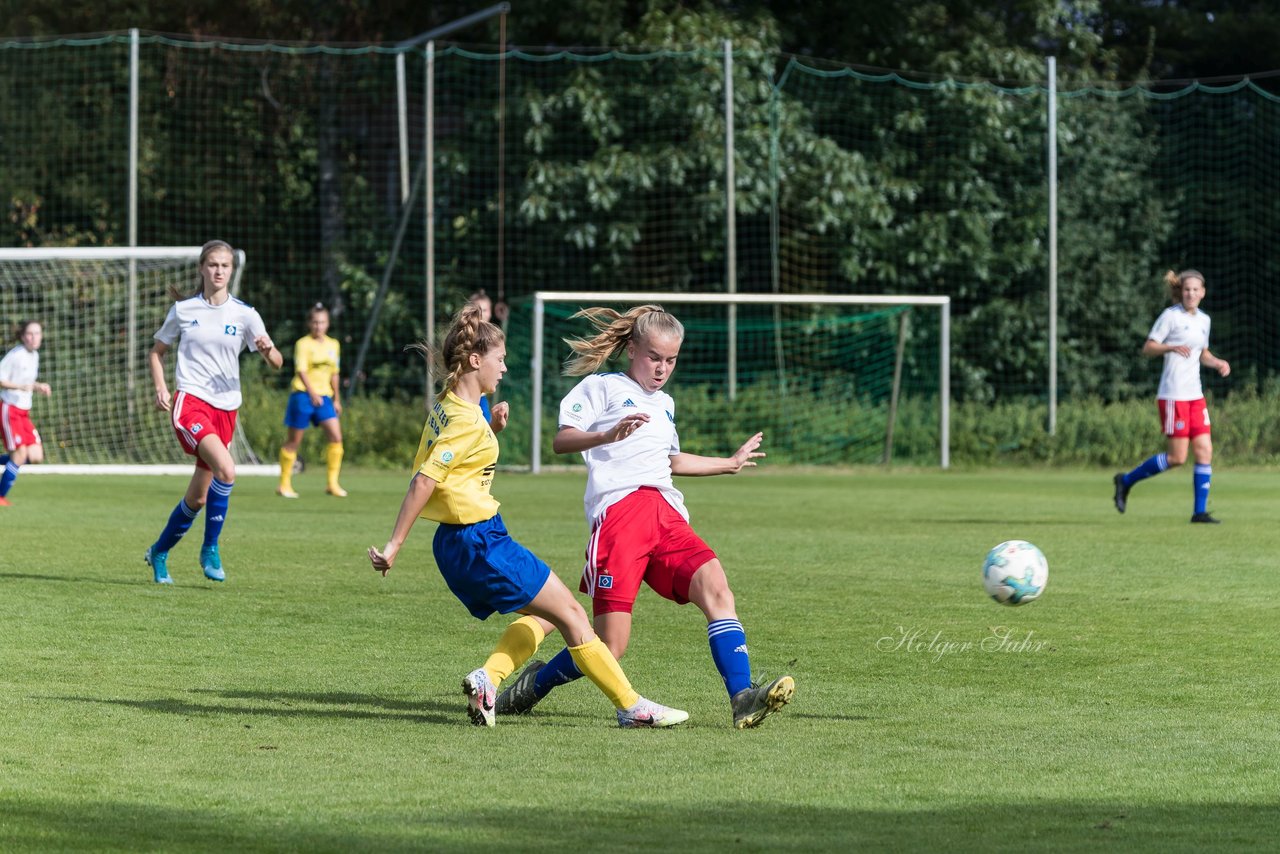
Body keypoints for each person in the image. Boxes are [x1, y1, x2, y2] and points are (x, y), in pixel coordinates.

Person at [367, 303, 687, 728]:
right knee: (572, 615)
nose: (504, 367)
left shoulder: (450, 404)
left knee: (548, 615)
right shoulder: (465, 420)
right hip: (479, 540)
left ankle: (489, 678)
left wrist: (491, 426)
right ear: (476, 360)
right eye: (500, 358)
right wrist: (394, 545)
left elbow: (457, 446)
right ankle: (632, 707)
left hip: (454, 544)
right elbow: (424, 480)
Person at [496, 305, 795, 729]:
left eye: (671, 360)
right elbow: (562, 440)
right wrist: (606, 434)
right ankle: (535, 684)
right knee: (609, 645)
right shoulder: (602, 387)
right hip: (620, 516)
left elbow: (669, 460)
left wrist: (727, 463)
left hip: (667, 515)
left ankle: (742, 697)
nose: (662, 368)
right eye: (654, 357)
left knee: (717, 588)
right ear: (632, 348)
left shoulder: (666, 404)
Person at [144, 240, 283, 584]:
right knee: (227, 468)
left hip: (226, 409)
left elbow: (278, 363)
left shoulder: (245, 314)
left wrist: (268, 351)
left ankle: (159, 552)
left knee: (199, 495)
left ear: (231, 271)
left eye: (225, 266)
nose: (219, 271)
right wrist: (162, 388)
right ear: (201, 269)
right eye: (213, 265)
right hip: (190, 401)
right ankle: (210, 548)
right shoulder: (184, 310)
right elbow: (156, 352)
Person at [1113, 269, 1230, 523]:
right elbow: (1148, 347)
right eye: (1186, 289)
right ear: (1181, 291)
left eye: (1195, 289)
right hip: (1173, 395)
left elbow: (1203, 353)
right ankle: (1126, 480)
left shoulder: (1204, 320)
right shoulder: (1170, 316)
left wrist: (1218, 362)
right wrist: (1170, 346)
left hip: (1195, 395)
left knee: (1204, 450)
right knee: (1177, 457)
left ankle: (1199, 512)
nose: (1191, 293)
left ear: (1203, 292)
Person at [277, 303, 346, 498]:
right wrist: (312, 393)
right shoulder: (303, 343)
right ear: (309, 324)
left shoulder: (334, 344)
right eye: (315, 322)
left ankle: (332, 483)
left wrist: (337, 399)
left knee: (336, 437)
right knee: (294, 441)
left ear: (328, 324)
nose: (318, 326)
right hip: (302, 396)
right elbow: (301, 370)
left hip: (325, 398)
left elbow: (335, 374)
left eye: (322, 322)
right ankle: (284, 484)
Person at [0, 320, 52, 506]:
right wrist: (20, 386)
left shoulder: (34, 356)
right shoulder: (16, 355)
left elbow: (29, 381)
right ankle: (0, 496)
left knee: (35, 456)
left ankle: (9, 463)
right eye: (30, 334)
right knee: (20, 455)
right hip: (10, 410)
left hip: (24, 413)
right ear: (23, 336)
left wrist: (39, 386)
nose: (34, 337)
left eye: (37, 333)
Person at [467, 290, 509, 432]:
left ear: (491, 312)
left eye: (484, 310)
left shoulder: (493, 337)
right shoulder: (464, 337)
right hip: (467, 398)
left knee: (484, 433)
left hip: (480, 397)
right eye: (477, 310)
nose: (481, 314)